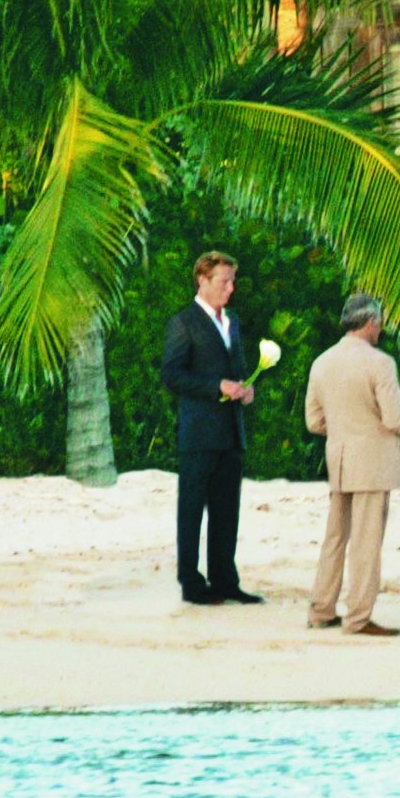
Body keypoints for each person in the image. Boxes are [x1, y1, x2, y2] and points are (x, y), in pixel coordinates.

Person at [162, 250, 264, 605]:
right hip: (199, 433)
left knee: (226, 510)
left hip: (230, 431)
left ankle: (224, 579)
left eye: (233, 281)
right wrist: (216, 386)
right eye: (224, 281)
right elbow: (172, 375)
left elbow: (237, 367)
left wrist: (245, 389)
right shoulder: (183, 322)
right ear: (202, 280)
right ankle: (191, 582)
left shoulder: (232, 321)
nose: (231, 288)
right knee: (191, 510)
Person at [305, 294, 400, 636]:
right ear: (370, 322)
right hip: (373, 460)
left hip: (340, 457)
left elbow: (313, 421)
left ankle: (321, 608)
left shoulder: (322, 362)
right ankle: (358, 616)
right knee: (366, 541)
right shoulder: (380, 363)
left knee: (335, 537)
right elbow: (394, 418)